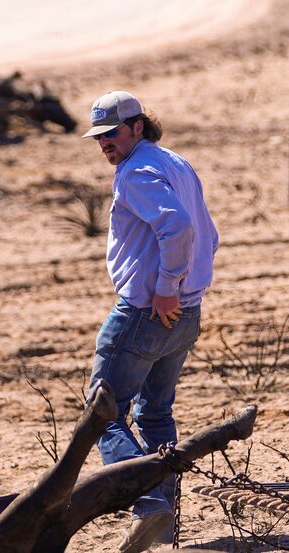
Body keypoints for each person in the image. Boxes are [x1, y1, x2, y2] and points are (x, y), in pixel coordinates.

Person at [82, 90, 218, 552]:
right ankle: (164, 520)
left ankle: (150, 506)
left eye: (112, 133)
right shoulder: (175, 162)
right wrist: (184, 289)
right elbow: (208, 233)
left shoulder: (138, 170)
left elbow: (178, 227)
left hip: (147, 311)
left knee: (102, 412)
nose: (105, 143)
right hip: (185, 312)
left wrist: (165, 286)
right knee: (155, 413)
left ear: (137, 126)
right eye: (99, 136)